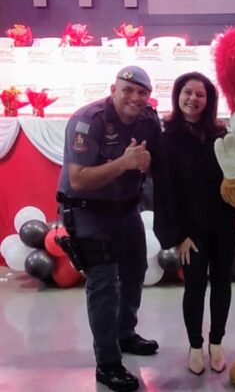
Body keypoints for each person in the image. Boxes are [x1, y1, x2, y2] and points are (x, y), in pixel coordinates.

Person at [57, 66, 161, 392]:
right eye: (127, 89)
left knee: (135, 272)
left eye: (141, 92)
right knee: (103, 285)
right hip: (86, 211)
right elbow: (78, 179)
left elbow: (158, 162)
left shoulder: (149, 120)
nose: (134, 97)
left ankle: (125, 334)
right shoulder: (88, 121)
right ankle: (108, 363)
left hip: (126, 210)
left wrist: (150, 165)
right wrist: (125, 163)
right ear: (113, 89)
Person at [153, 72, 235, 375]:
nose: (193, 99)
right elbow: (164, 192)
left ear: (209, 100)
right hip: (190, 231)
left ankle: (216, 342)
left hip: (224, 223)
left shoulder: (221, 135)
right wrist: (178, 235)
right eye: (187, 93)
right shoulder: (166, 139)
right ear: (177, 96)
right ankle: (194, 345)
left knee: (222, 283)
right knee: (194, 286)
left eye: (200, 94)